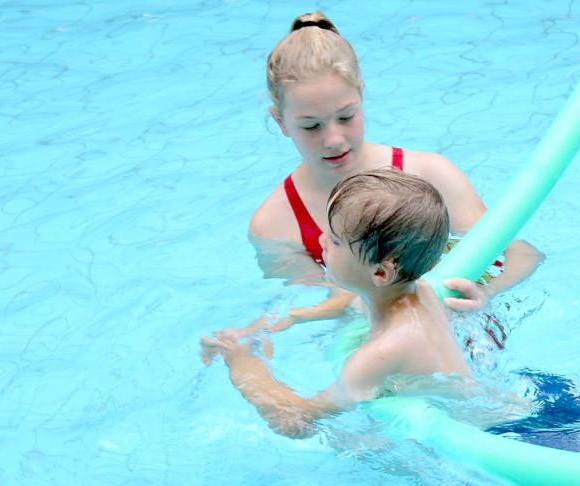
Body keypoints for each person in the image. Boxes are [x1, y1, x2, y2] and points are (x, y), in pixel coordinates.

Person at [219, 10, 543, 344]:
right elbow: (321, 308)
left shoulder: (429, 174)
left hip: (469, 340)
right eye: (311, 126)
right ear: (281, 121)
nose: (333, 139)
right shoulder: (276, 226)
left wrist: (486, 292)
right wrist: (248, 335)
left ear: (361, 94)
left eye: (346, 116)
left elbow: (523, 254)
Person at [201, 169, 473, 437]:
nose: (321, 240)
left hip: (485, 447)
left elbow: (295, 421)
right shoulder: (420, 291)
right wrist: (299, 316)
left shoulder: (378, 355)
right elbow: (354, 299)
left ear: (380, 272)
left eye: (335, 239)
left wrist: (242, 364)